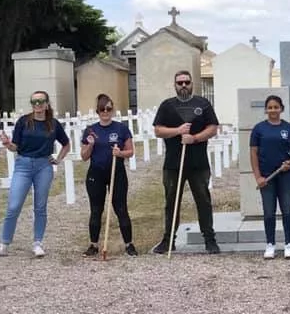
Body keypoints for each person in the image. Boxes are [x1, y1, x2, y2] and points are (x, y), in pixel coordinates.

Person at [0, 90, 70, 258]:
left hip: (43, 166)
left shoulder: (53, 124)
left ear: (47, 103)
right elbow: (15, 146)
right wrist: (7, 144)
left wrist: (58, 159)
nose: (37, 105)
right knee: (13, 206)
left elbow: (66, 144)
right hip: (23, 165)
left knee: (40, 206)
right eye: (34, 102)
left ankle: (37, 243)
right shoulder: (24, 122)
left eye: (41, 101)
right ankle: (4, 244)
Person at [151, 69, 221, 254]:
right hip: (173, 164)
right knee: (171, 202)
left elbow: (213, 128)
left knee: (203, 201)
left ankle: (209, 240)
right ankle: (168, 241)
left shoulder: (203, 104)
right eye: (179, 83)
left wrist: (194, 138)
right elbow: (158, 130)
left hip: (198, 163)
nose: (183, 86)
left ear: (191, 84)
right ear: (174, 85)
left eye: (186, 82)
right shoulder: (167, 106)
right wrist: (178, 130)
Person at [80, 93, 136, 257]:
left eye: (108, 109)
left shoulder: (121, 128)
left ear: (112, 110)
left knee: (121, 208)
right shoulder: (91, 130)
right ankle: (93, 245)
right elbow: (84, 157)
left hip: (116, 173)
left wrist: (120, 153)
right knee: (96, 210)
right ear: (97, 111)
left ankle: (129, 244)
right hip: (96, 173)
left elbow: (131, 152)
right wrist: (90, 146)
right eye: (102, 109)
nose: (105, 112)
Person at [250, 94, 290, 260]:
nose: (273, 110)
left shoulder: (289, 128)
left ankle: (289, 244)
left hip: (286, 176)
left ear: (281, 109)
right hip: (267, 177)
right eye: (270, 107)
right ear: (266, 110)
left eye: (276, 107)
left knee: (287, 210)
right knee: (269, 213)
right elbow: (253, 153)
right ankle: (270, 244)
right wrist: (258, 177)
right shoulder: (258, 129)